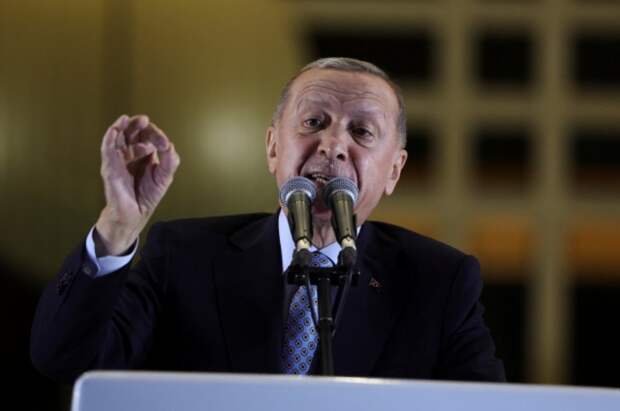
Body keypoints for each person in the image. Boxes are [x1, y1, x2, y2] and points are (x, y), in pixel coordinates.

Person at [31, 57, 505, 383]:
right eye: (313, 122)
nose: (333, 145)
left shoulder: (439, 282)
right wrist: (117, 227)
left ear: (394, 171)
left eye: (361, 131)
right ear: (273, 147)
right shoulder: (183, 255)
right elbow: (66, 361)